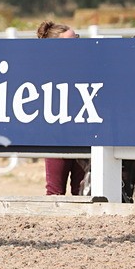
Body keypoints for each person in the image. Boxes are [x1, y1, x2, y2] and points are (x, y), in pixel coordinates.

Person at [36, 20, 89, 196]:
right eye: (72, 41)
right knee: (55, 190)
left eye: (78, 38)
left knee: (82, 190)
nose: (78, 45)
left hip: (83, 133)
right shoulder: (45, 70)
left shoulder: (86, 67)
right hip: (56, 134)